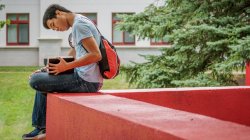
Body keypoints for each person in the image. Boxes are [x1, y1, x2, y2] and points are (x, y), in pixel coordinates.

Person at [22, 4, 103, 140]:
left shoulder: (79, 25)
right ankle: (42, 127)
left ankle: (42, 127)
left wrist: (66, 67)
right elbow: (76, 54)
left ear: (59, 13)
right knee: (40, 78)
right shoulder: (80, 21)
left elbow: (96, 55)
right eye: (53, 28)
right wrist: (50, 69)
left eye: (53, 24)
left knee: (35, 81)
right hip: (85, 77)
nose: (56, 29)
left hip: (86, 81)